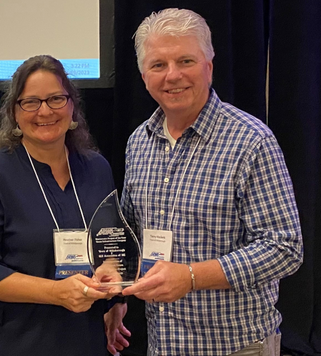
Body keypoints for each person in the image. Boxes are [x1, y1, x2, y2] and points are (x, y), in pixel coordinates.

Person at [120, 8, 304, 356]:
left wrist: (190, 276)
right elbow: (131, 231)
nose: (172, 75)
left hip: (235, 346)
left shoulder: (251, 141)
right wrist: (112, 281)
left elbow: (285, 248)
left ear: (209, 66)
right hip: (163, 342)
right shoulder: (138, 142)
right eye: (159, 65)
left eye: (185, 60)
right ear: (144, 75)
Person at [0, 55, 130, 356]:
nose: (45, 111)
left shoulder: (97, 169)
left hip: (86, 338)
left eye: (56, 99)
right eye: (31, 102)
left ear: (72, 106)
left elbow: (111, 246)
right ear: (14, 112)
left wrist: (114, 296)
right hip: (16, 341)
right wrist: (55, 293)